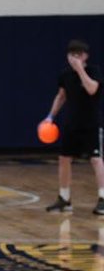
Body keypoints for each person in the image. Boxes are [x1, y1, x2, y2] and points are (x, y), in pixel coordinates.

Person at [42, 39, 104, 214]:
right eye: (71, 55)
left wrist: (80, 70)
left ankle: (102, 198)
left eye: (78, 54)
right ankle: (64, 198)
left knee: (96, 159)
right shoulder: (65, 75)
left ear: (85, 56)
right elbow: (61, 96)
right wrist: (50, 117)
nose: (74, 58)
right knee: (64, 158)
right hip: (71, 124)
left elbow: (92, 89)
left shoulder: (94, 71)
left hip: (91, 123)